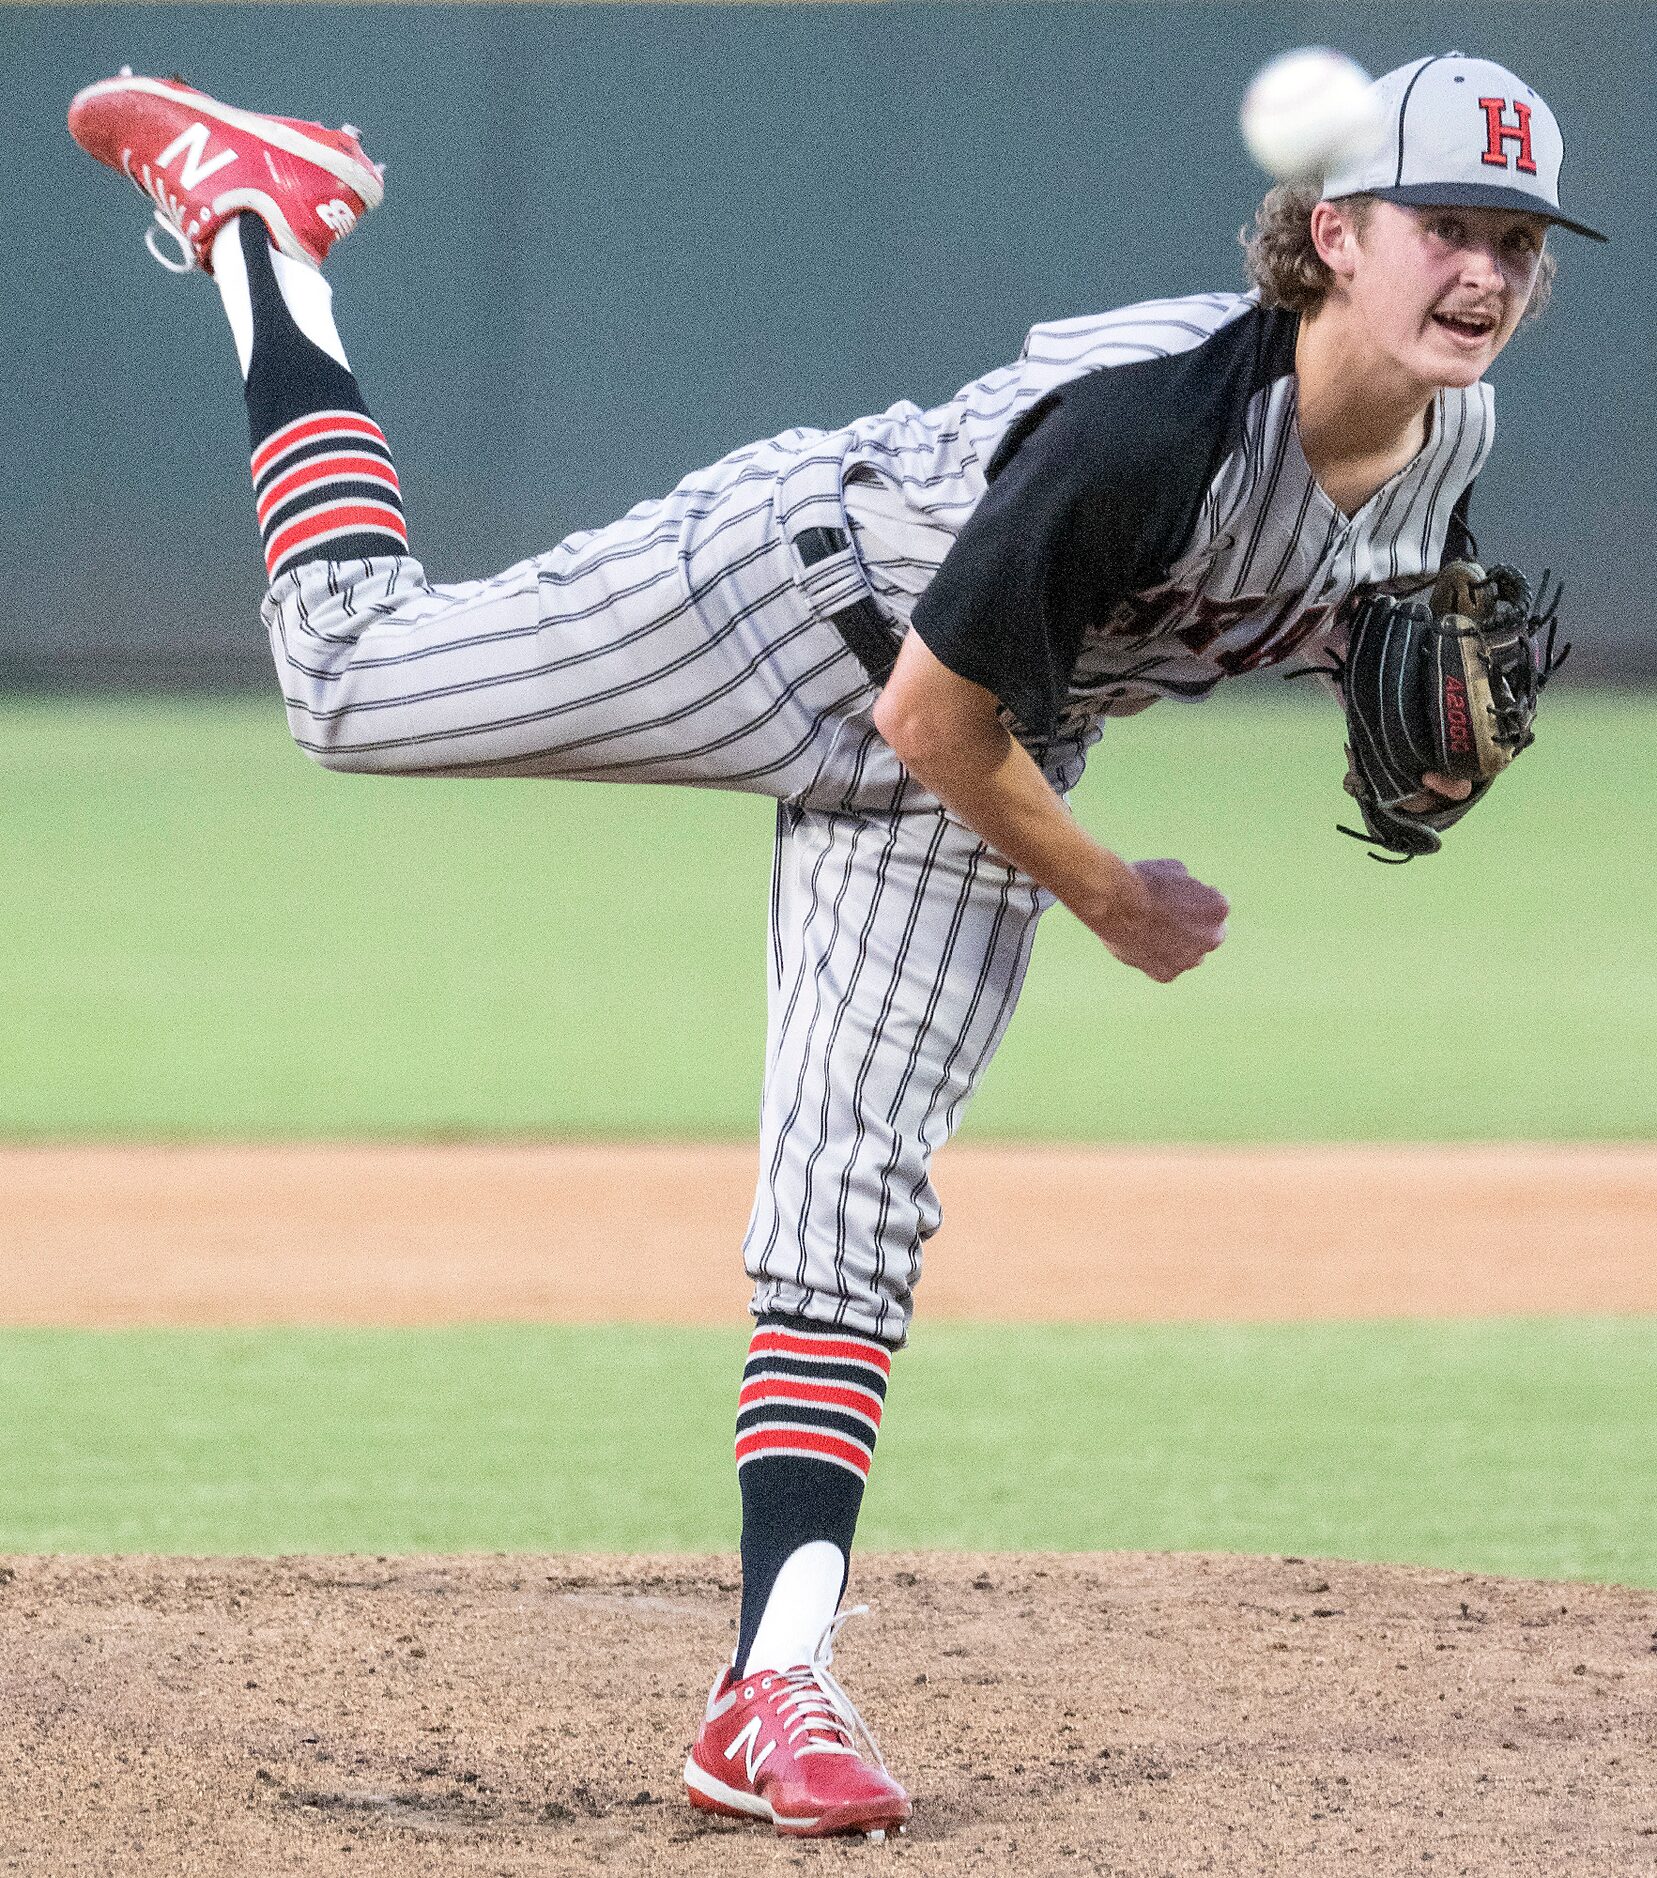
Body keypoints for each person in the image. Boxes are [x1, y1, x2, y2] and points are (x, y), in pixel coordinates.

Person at [68, 49, 1600, 1840]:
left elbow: (1287, 619)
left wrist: (1396, 689)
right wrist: (1106, 893)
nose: (1484, 272)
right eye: (1447, 228)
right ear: (1336, 235)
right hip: (797, 612)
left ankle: (769, 1681)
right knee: (346, 683)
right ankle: (266, 222)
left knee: (851, 1197)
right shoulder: (1145, 433)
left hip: (994, 741)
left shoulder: (1451, 432)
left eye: (1515, 238)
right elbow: (926, 720)